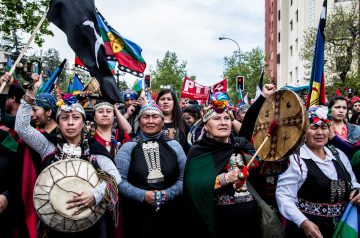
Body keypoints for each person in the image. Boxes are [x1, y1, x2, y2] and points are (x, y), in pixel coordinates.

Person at [14, 77, 121, 237]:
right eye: (64, 118)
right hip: (54, 225)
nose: (70, 123)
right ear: (58, 123)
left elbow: (115, 177)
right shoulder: (48, 146)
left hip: (92, 226)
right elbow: (21, 128)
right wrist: (30, 93)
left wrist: (95, 195)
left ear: (84, 123)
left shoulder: (94, 149)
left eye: (76, 118)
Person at [184, 92, 264, 238]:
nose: (223, 122)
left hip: (249, 219)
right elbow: (194, 186)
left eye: (226, 118)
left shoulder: (241, 144)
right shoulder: (198, 151)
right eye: (216, 118)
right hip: (217, 222)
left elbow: (260, 166)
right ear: (206, 126)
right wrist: (225, 178)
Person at [276, 105, 360, 238]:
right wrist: (303, 222)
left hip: (341, 228)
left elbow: (353, 183)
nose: (320, 132)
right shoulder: (296, 159)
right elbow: (284, 196)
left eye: (324, 127)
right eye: (314, 127)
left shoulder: (338, 155)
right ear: (304, 131)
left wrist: (357, 192)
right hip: (310, 229)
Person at [115, 103, 186, 238]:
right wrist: (142, 195)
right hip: (138, 215)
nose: (150, 121)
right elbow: (119, 181)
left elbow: (184, 176)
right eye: (146, 117)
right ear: (139, 120)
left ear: (162, 120)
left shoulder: (174, 145)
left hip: (172, 213)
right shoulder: (128, 147)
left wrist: (169, 193)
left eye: (155, 117)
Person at [156, 89, 189, 154]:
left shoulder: (182, 122)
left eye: (169, 99)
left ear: (174, 102)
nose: (165, 102)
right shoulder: (152, 122)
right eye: (162, 99)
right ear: (157, 102)